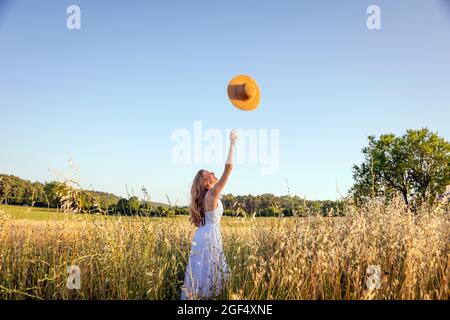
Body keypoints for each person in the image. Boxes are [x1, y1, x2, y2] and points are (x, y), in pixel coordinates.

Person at [180, 129, 238, 300]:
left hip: (203, 235)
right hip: (209, 237)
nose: (214, 174)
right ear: (206, 183)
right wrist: (232, 144)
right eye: (210, 174)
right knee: (210, 273)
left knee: (201, 274)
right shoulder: (212, 193)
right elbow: (229, 168)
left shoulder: (208, 196)